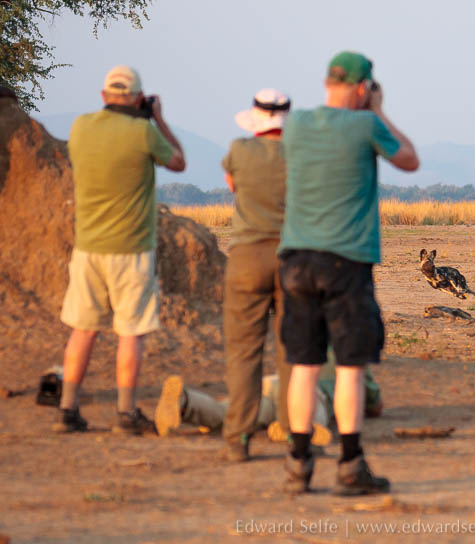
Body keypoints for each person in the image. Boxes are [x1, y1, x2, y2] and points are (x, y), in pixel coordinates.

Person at [278, 51, 419, 495]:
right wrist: (378, 111)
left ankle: (298, 465)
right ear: (362, 87)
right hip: (346, 261)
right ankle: (350, 464)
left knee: (303, 365)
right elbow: (409, 159)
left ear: (326, 82)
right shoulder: (366, 124)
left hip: (296, 259)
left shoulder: (295, 124)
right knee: (350, 368)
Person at [54, 65, 185, 434]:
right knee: (130, 332)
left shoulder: (81, 127)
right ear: (138, 97)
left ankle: (67, 409)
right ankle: (126, 414)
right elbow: (178, 161)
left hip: (88, 248)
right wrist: (157, 118)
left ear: (103, 96)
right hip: (132, 249)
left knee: (82, 330)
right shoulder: (143, 132)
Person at [220, 89, 292, 461]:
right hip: (293, 258)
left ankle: (238, 437)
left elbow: (234, 185)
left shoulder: (239, 150)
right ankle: (296, 432)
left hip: (247, 256)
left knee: (244, 352)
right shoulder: (303, 153)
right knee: (292, 350)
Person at [153, 355, 384, 444]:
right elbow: (374, 406)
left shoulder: (306, 332)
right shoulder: (352, 351)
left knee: (233, 414)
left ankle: (186, 401)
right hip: (309, 392)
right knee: (313, 412)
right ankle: (297, 429)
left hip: (272, 382)